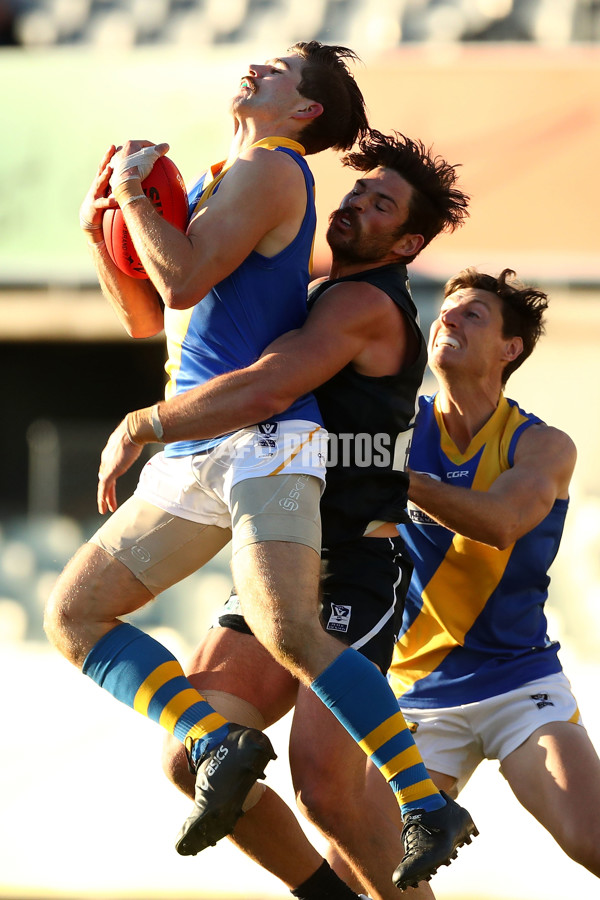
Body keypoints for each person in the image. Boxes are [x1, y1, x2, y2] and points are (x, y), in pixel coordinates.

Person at [99, 131, 475, 897]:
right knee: (196, 758)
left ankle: (419, 819)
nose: (355, 204)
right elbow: (165, 307)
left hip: (353, 565)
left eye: (380, 205)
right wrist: (120, 221)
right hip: (280, 551)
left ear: (406, 242)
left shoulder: (365, 306)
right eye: (357, 190)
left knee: (328, 793)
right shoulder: (319, 293)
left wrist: (148, 421)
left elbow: (268, 386)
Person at [45, 40, 373, 900]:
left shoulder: (274, 165)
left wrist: (129, 198)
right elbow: (149, 317)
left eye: (279, 71)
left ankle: (417, 799)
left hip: (265, 438)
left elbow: (184, 278)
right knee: (74, 615)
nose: (257, 68)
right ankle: (220, 741)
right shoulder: (221, 175)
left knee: (289, 629)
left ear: (304, 112)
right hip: (197, 449)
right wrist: (102, 234)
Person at [386, 266, 600, 896]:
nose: (447, 318)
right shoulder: (397, 427)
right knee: (367, 861)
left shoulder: (544, 445)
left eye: (472, 314)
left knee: (590, 839)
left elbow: (503, 523)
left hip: (519, 683)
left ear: (512, 349)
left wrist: (396, 481)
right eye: (445, 311)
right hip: (413, 689)